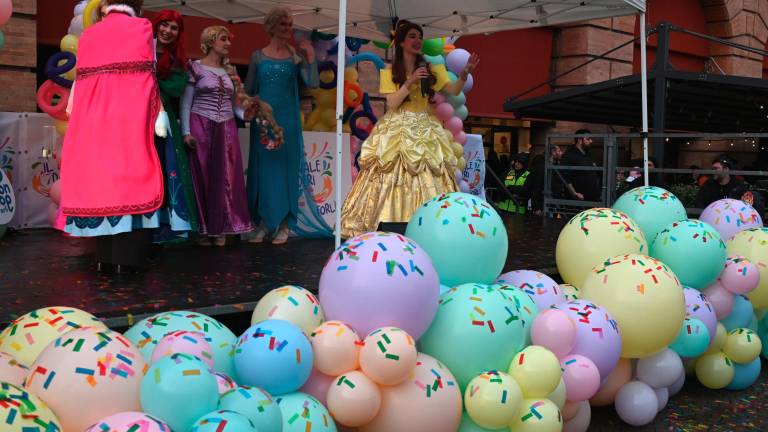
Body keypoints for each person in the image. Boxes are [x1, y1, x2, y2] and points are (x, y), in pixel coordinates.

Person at [339, 20, 479, 238]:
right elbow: (392, 103)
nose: (418, 40)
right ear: (402, 42)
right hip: (398, 127)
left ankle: (429, 228)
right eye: (413, 36)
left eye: (419, 37)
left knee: (430, 172)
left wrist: (463, 75)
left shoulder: (431, 68)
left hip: (425, 126)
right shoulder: (389, 71)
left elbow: (452, 89)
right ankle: (389, 220)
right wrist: (410, 81)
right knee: (391, 171)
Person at [59, 0, 168, 273]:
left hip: (93, 118)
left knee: (102, 185)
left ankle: (104, 260)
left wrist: (76, 114)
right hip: (128, 116)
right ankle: (126, 262)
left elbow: (79, 82)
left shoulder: (91, 33)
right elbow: (147, 78)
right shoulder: (141, 27)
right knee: (130, 182)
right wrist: (158, 112)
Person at [244, 7, 329, 245]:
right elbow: (249, 90)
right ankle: (263, 222)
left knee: (286, 169)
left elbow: (312, 83)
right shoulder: (257, 56)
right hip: (263, 121)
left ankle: (283, 224)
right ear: (271, 26)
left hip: (288, 121)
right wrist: (253, 104)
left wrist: (310, 58)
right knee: (263, 170)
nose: (288, 29)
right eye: (283, 24)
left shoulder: (296, 56)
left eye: (290, 25)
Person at [181, 26, 253, 246]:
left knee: (225, 177)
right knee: (202, 175)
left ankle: (220, 227)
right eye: (224, 39)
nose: (228, 44)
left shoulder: (230, 72)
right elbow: (186, 102)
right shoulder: (196, 67)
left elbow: (237, 107)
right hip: (201, 123)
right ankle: (204, 229)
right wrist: (186, 131)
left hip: (226, 127)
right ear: (211, 41)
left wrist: (249, 112)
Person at [151, 10, 197, 243]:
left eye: (174, 28)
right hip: (135, 119)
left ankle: (165, 225)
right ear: (156, 26)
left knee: (163, 168)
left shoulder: (179, 61)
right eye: (164, 25)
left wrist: (148, 78)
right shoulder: (139, 50)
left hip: (163, 121)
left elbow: (176, 89)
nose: (167, 31)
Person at [695, 155, 764, 214]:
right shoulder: (708, 185)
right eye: (712, 169)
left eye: (716, 168)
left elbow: (747, 207)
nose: (713, 171)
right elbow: (699, 204)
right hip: (712, 220)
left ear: (726, 169)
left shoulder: (738, 186)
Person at [561, 129, 601, 202]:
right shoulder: (569, 155)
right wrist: (574, 193)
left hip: (592, 199)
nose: (591, 141)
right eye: (588, 139)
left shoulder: (587, 155)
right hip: (579, 201)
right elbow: (565, 177)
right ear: (580, 140)